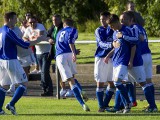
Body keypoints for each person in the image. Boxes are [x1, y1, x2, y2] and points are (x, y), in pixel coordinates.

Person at [0, 11, 44, 115]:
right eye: (15, 18)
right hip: (11, 60)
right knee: (24, 83)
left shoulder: (1, 30)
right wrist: (39, 39)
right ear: (10, 19)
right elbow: (23, 44)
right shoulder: (9, 31)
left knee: (4, 86)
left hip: (2, 61)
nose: (16, 20)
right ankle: (11, 104)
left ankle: (0, 110)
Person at [117, 11, 157, 112]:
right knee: (148, 81)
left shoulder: (132, 28)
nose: (122, 21)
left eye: (124, 19)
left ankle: (126, 104)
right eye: (121, 19)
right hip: (147, 54)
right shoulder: (140, 27)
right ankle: (152, 105)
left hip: (140, 55)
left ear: (131, 20)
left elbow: (139, 39)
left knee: (127, 81)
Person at [55, 18, 90, 111]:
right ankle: (82, 91)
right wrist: (74, 52)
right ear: (72, 24)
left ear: (64, 25)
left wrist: (74, 51)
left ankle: (83, 104)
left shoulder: (59, 32)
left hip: (60, 56)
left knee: (70, 80)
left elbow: (60, 45)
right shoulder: (73, 30)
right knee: (72, 78)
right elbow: (70, 41)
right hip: (70, 55)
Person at [104, 14, 135, 113]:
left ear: (117, 22)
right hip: (115, 61)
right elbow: (116, 46)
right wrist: (108, 55)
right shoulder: (115, 33)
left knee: (117, 82)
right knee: (119, 84)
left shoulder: (127, 30)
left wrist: (130, 60)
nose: (111, 28)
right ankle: (125, 106)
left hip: (123, 61)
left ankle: (128, 103)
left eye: (112, 25)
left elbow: (134, 44)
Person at [23, 16, 53, 96]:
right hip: (38, 52)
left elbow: (40, 37)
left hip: (46, 51)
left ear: (36, 21)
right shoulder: (28, 29)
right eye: (30, 22)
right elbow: (24, 37)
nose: (32, 24)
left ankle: (44, 88)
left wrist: (31, 41)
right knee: (44, 72)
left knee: (44, 72)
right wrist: (27, 41)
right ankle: (49, 90)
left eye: (33, 22)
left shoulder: (40, 26)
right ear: (28, 23)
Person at [94, 11, 115, 112]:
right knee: (100, 82)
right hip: (101, 58)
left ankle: (105, 104)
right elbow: (101, 43)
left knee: (112, 82)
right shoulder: (98, 30)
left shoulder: (114, 29)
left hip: (112, 58)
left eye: (104, 19)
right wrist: (111, 45)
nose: (102, 21)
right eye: (100, 19)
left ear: (108, 19)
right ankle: (101, 105)